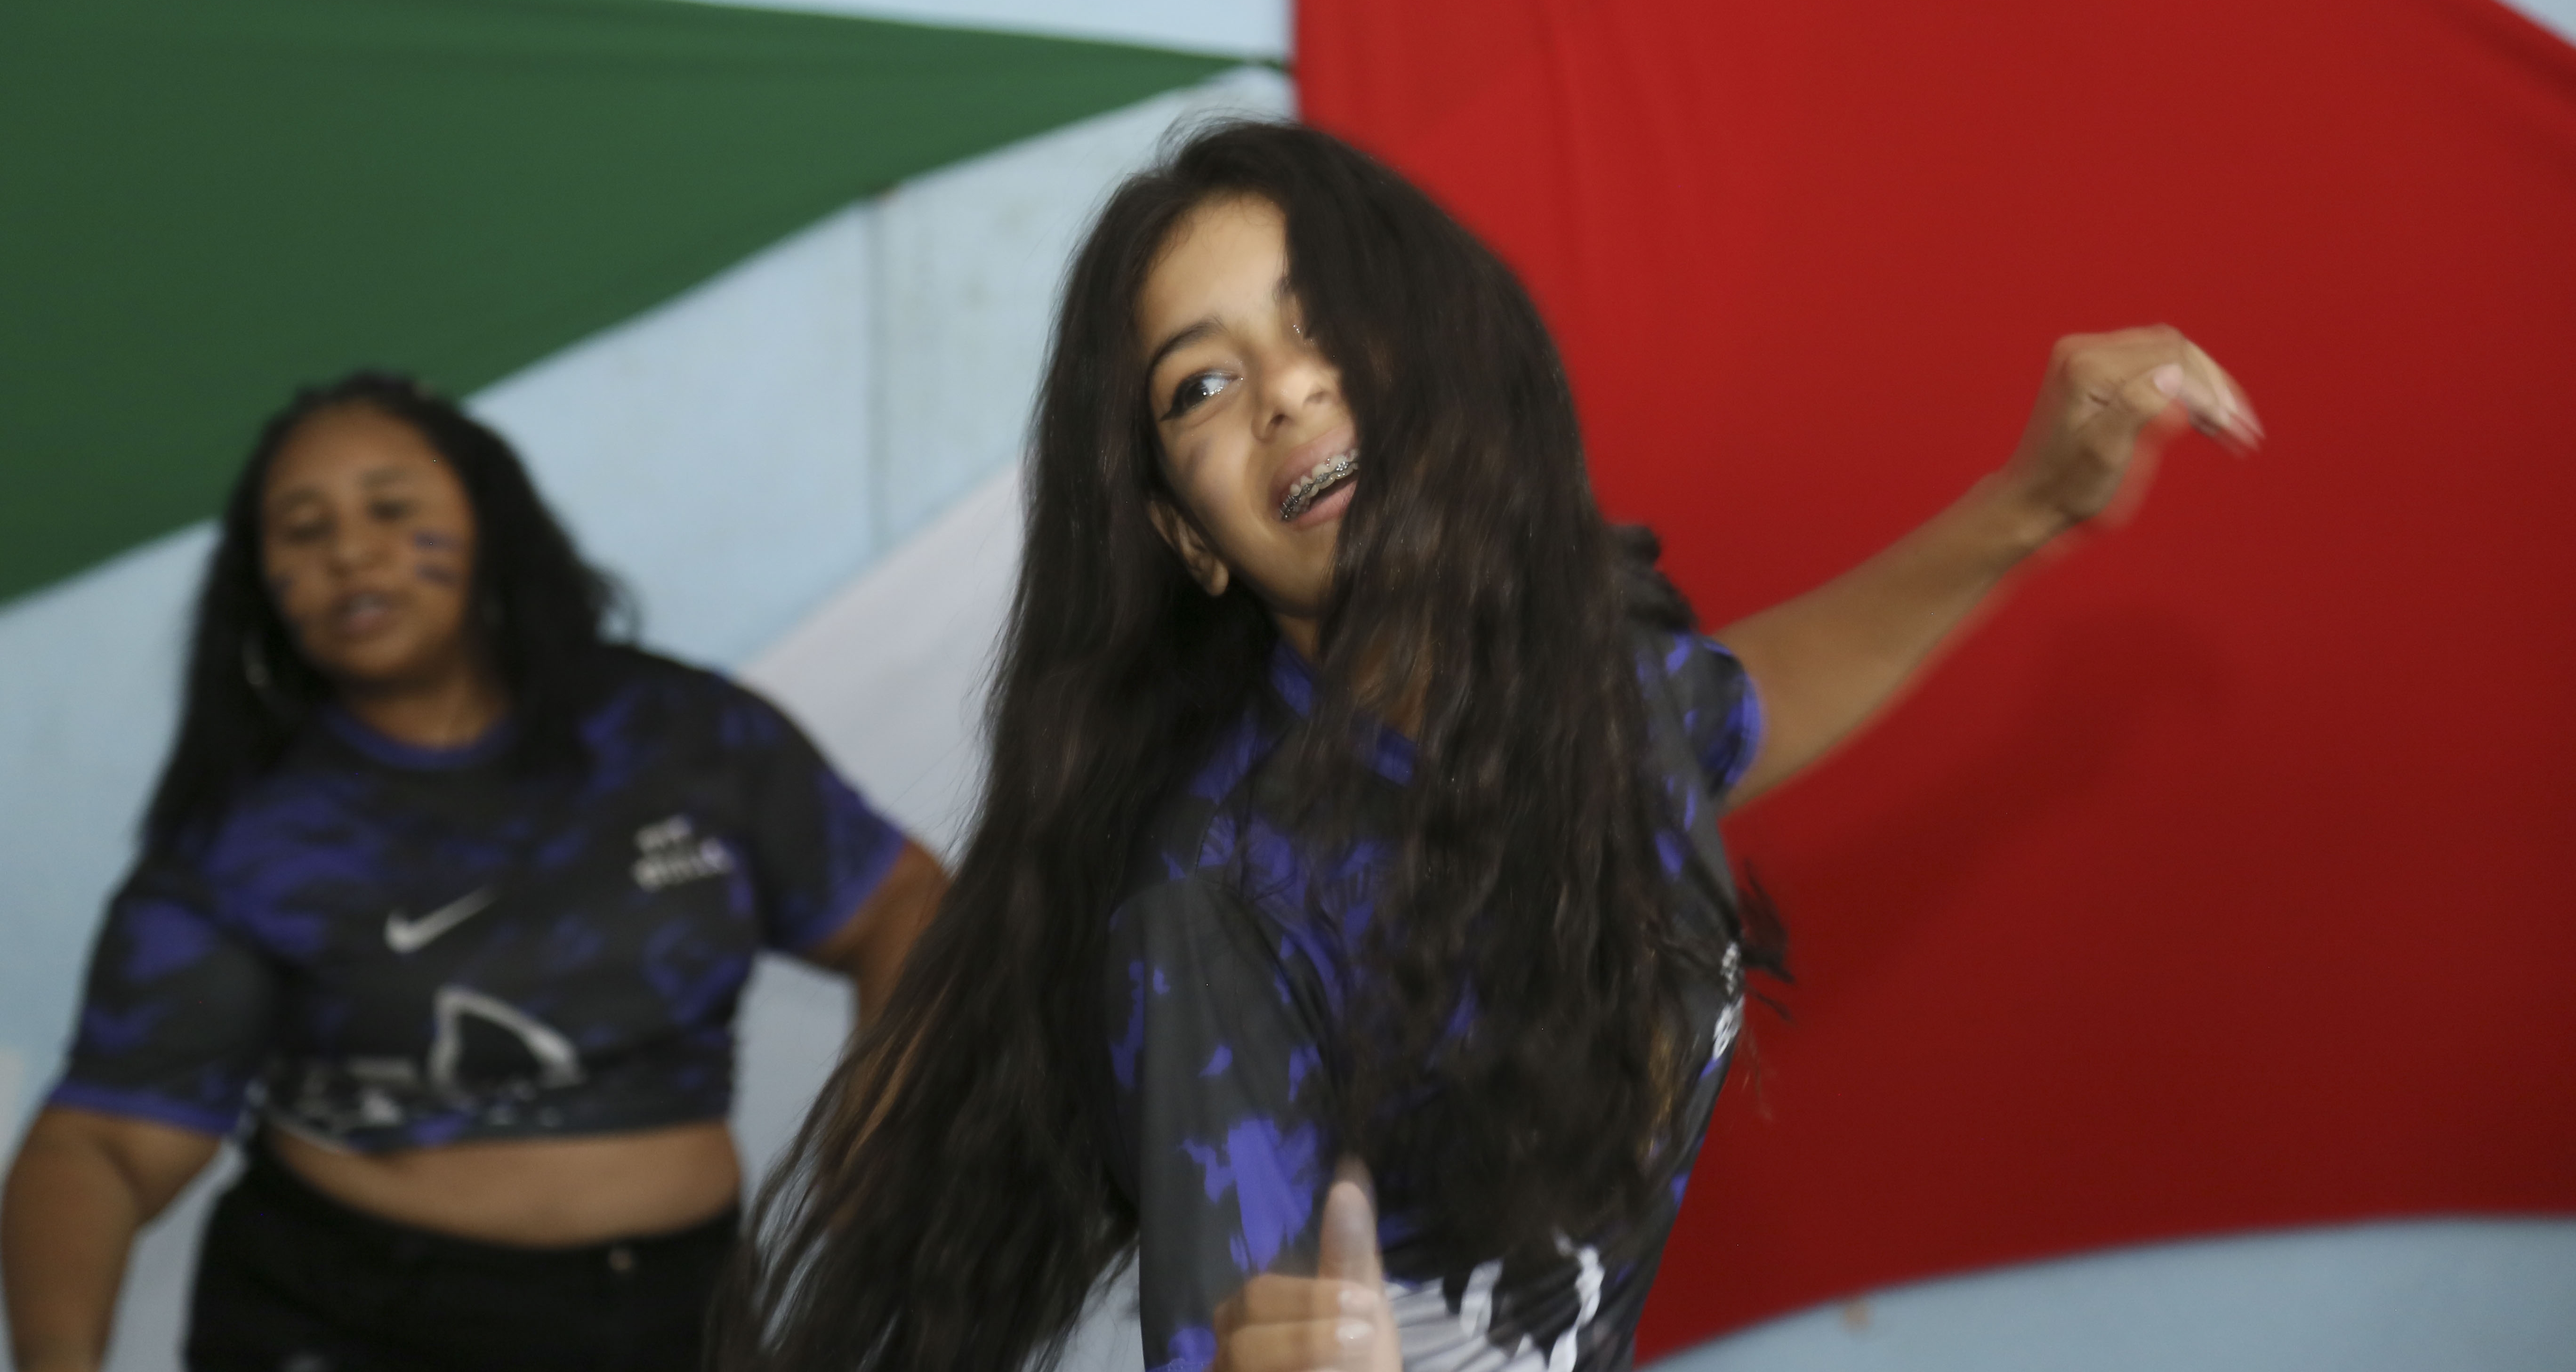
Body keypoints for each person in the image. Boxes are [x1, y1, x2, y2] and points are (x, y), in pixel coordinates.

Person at [716, 121, 2258, 1372]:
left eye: (1320, 318)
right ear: (1187, 535)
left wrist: (2031, 505)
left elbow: (1730, 709)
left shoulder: (1578, 692)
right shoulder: (1216, 906)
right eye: (1203, 384)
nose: (1286, 389)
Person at [0, 372, 948, 1372]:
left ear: (492, 526)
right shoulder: (255, 833)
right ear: (264, 588)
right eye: (304, 531)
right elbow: (105, 1143)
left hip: (683, 1314)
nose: (349, 552)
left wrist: (884, 1117)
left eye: (390, 508)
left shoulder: (683, 735)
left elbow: (902, 899)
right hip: (353, 1324)